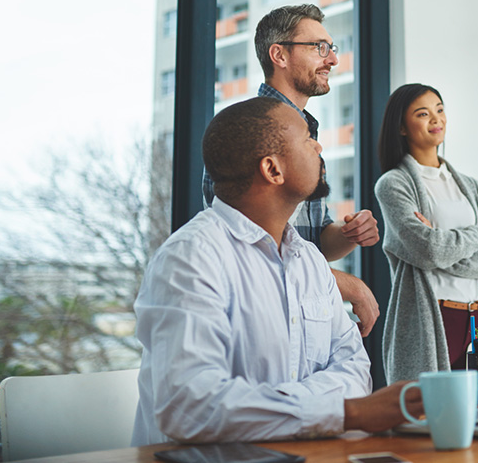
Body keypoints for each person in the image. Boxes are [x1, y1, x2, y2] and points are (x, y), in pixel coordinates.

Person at [132, 97, 422, 445]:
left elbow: (355, 369)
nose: (318, 147)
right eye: (307, 139)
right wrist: (347, 413)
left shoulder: (310, 260)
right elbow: (190, 407)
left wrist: (283, 409)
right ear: (273, 170)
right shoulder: (190, 258)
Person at [202, 4, 380, 336]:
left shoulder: (308, 135)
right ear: (279, 55)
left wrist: (348, 234)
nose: (333, 59)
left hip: (306, 315)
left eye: (332, 48)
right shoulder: (245, 131)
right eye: (319, 47)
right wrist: (347, 285)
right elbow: (250, 252)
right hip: (262, 322)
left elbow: (315, 240)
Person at [374, 84, 478, 383]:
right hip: (434, 318)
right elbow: (430, 251)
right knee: (431, 408)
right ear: (401, 127)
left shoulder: (472, 187)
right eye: (423, 114)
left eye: (439, 109)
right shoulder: (393, 185)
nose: (436, 119)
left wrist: (442, 243)